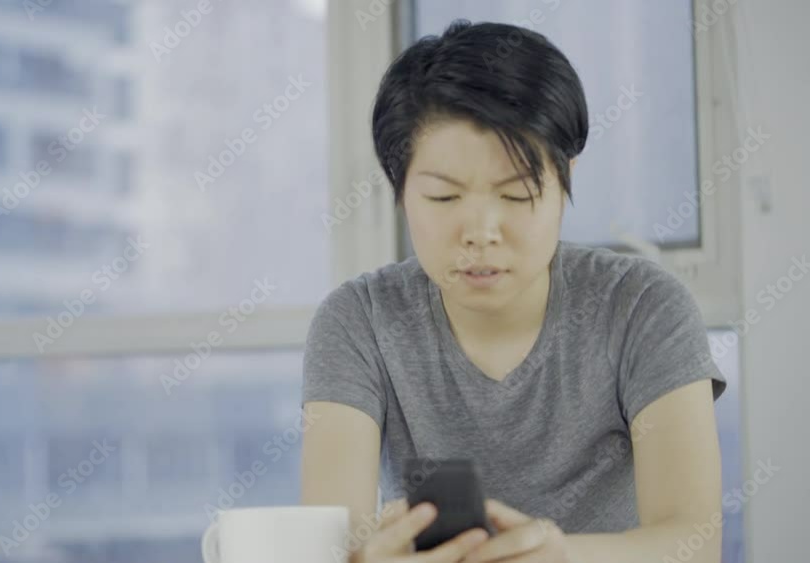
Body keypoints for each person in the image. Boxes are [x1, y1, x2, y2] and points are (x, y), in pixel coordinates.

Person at [300, 20, 727, 563]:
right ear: (400, 190)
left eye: (517, 194)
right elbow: (332, 545)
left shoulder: (642, 307)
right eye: (444, 198)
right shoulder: (359, 322)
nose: (481, 232)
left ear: (565, 180)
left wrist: (560, 556)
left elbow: (695, 542)